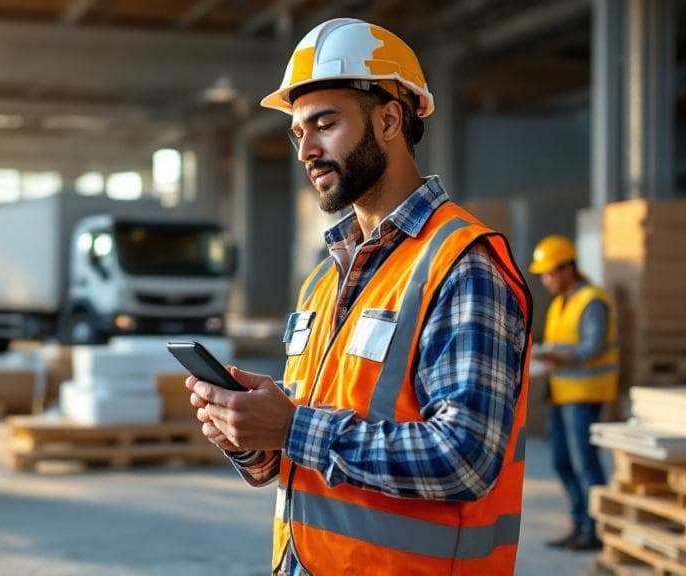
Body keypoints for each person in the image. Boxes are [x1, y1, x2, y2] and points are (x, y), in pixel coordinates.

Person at [185, 18, 532, 575]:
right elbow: (294, 456)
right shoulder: (323, 282)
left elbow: (465, 458)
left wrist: (293, 427)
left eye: (325, 124)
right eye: (299, 133)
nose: (307, 150)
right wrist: (249, 433)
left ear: (390, 118)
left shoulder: (462, 264)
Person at [529, 235, 617, 551]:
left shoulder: (592, 301)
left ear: (568, 269)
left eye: (550, 272)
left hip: (585, 395)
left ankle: (595, 529)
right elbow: (559, 345)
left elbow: (593, 348)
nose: (545, 279)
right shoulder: (558, 304)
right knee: (562, 462)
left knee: (586, 464)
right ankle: (579, 523)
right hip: (561, 393)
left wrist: (552, 357)